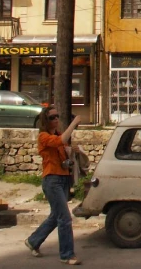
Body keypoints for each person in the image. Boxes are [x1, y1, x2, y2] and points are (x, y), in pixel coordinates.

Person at [24, 106, 82, 265]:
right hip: (52, 180)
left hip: (63, 178)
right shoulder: (43, 136)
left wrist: (72, 151)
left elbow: (63, 148)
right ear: (45, 120)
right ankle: (67, 254)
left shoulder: (56, 134)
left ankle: (33, 241)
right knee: (64, 218)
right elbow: (61, 141)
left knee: (55, 216)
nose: (56, 119)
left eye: (57, 116)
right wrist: (74, 123)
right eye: (52, 117)